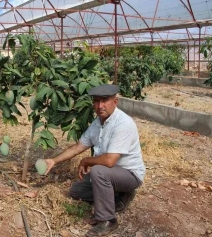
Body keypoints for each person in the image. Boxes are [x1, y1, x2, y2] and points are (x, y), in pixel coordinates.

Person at [44, 84, 146, 237]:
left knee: (98, 171)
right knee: (76, 191)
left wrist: (86, 160)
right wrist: (53, 160)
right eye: (96, 101)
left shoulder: (123, 123)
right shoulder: (97, 124)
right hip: (110, 174)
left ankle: (108, 220)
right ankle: (120, 196)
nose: (100, 106)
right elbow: (78, 146)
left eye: (105, 101)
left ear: (115, 102)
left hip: (130, 175)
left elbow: (110, 161)